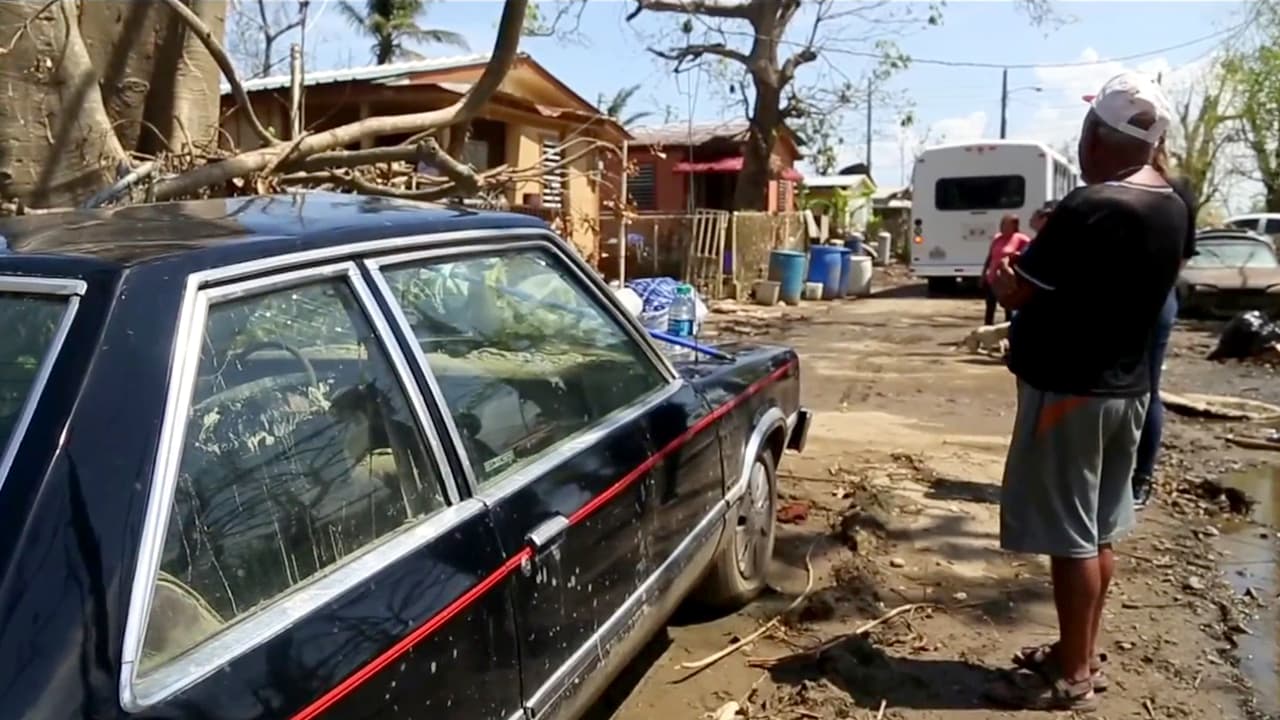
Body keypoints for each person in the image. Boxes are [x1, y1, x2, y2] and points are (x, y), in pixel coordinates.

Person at [986, 71, 1185, 710]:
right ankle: (1081, 653)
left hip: (1071, 392)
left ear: (1098, 136)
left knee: (1071, 538)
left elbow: (1020, 290)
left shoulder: (1091, 205)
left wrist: (1000, 277)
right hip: (1129, 392)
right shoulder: (1173, 205)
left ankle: (1072, 674)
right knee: (1097, 533)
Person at [1131, 140, 1198, 509]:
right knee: (1145, 388)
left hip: (1139, 300)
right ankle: (1137, 477)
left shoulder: (1133, 187)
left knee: (1138, 389)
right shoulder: (1179, 191)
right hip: (1160, 297)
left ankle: (1137, 476)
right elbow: (1185, 255)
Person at [981, 214, 1031, 326]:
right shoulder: (997, 238)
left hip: (1007, 279)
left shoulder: (1020, 238)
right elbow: (990, 257)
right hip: (993, 278)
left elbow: (1029, 252)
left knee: (1008, 307)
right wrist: (984, 273)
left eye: (1005, 224)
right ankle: (987, 331)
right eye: (1002, 224)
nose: (1002, 227)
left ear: (1014, 226)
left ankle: (1009, 332)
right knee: (990, 306)